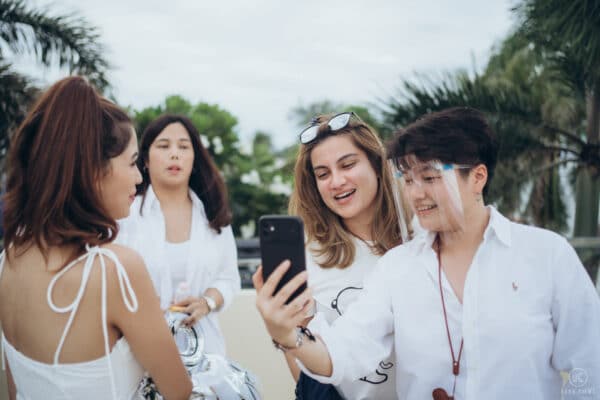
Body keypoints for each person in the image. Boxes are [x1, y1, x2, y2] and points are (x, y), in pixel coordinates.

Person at [254, 107, 600, 399]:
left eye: (431, 177)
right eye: (408, 179)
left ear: (477, 177)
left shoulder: (547, 255)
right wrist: (288, 336)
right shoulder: (397, 268)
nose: (417, 193)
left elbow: (590, 365)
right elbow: (346, 352)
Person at [0, 77, 192, 400]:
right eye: (132, 163)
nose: (139, 177)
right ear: (92, 170)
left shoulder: (8, 260)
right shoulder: (115, 271)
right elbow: (179, 391)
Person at [286, 112, 406, 399]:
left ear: (377, 165)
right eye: (323, 174)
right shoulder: (306, 256)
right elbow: (299, 353)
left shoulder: (419, 238)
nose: (336, 181)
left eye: (348, 165)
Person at [118, 114, 240, 356]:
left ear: (194, 159)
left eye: (184, 147)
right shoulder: (125, 214)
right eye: (164, 146)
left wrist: (207, 302)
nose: (175, 154)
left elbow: (228, 278)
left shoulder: (214, 215)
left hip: (205, 353)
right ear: (144, 160)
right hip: (138, 353)